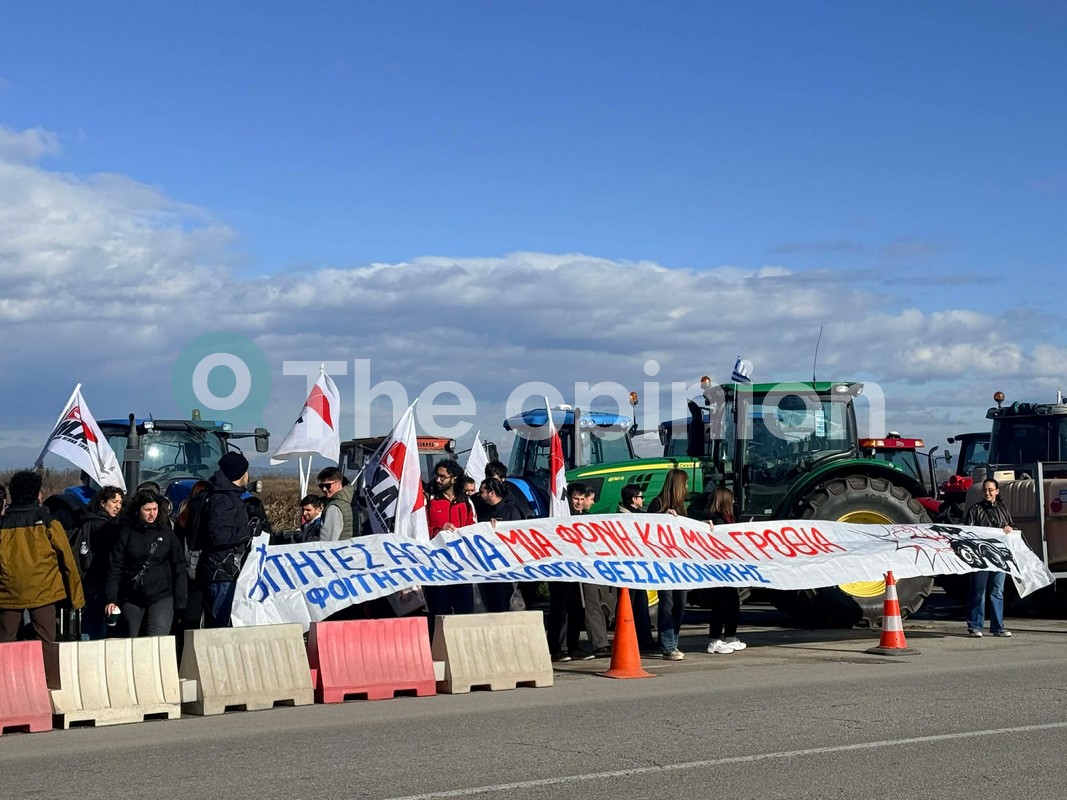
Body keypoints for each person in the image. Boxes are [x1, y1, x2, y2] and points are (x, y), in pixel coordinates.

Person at [0, 470, 85, 643]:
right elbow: (68, 561)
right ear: (38, 494)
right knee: (46, 642)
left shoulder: (2, 524)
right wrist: (77, 599)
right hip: (44, 592)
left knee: (5, 643)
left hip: (7, 594)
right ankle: (46, 670)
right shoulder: (48, 522)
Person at [105, 490, 187, 638]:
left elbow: (179, 566)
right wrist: (111, 598)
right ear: (138, 510)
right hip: (131, 596)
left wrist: (180, 599)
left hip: (161, 595)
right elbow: (115, 567)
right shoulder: (126, 533)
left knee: (157, 640)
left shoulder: (166, 533)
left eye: (155, 509)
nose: (152, 514)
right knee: (132, 640)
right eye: (147, 510)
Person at [199, 451, 253, 628]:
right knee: (221, 624)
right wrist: (247, 531)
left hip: (225, 569)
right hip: (221, 571)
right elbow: (218, 536)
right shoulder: (223, 499)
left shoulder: (225, 495)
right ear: (240, 474)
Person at [424, 460, 476, 635]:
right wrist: (439, 530)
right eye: (436, 476)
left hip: (462, 569)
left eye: (442, 476)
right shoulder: (429, 501)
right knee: (439, 614)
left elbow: (473, 528)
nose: (438, 480)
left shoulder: (466, 502)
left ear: (454, 479)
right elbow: (420, 531)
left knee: (465, 613)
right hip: (437, 569)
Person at [648, 468, 691, 660]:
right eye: (686, 483)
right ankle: (667, 645)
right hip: (663, 562)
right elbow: (648, 529)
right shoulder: (657, 504)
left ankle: (673, 641)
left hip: (680, 562)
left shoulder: (682, 507)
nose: (688, 487)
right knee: (667, 602)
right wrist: (663, 518)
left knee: (680, 604)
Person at [547, 482, 593, 661]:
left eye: (582, 499)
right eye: (575, 499)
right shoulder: (559, 517)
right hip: (560, 569)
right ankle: (557, 648)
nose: (579, 502)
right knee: (560, 609)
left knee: (576, 609)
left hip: (579, 570)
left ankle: (573, 646)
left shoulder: (588, 518)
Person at [964, 478, 1015, 638]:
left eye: (990, 490)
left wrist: (1009, 528)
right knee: (978, 591)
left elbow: (1013, 528)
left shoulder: (1003, 509)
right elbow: (967, 533)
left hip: (999, 558)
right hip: (980, 558)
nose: (987, 492)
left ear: (997, 491)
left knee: (997, 591)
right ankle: (975, 626)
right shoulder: (975, 509)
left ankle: (998, 627)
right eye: (985, 490)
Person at [76, 486, 125, 640]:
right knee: (99, 624)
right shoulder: (105, 526)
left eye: (120, 502)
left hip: (86, 576)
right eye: (114, 501)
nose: (118, 506)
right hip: (100, 579)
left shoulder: (86, 520)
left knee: (89, 621)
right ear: (103, 503)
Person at [705, 487, 746, 654]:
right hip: (720, 569)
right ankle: (715, 640)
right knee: (721, 604)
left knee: (732, 603)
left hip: (729, 569)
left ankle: (729, 636)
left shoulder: (727, 519)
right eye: (732, 498)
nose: (735, 501)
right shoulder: (718, 520)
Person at [617, 483, 656, 652]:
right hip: (629, 567)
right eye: (641, 497)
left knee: (641, 601)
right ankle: (639, 639)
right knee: (635, 603)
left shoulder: (641, 516)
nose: (643, 500)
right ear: (633, 499)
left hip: (640, 566)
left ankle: (644, 637)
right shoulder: (623, 518)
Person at [476, 477, 521, 613]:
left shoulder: (511, 510)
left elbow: (518, 535)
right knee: (489, 603)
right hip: (487, 567)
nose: (480, 495)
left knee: (504, 603)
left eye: (482, 492)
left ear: (491, 493)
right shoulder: (483, 511)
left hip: (505, 567)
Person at [316, 466, 356, 541]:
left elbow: (327, 541)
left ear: (338, 484)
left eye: (328, 486)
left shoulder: (334, 508)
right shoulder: (353, 500)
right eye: (321, 486)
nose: (324, 489)